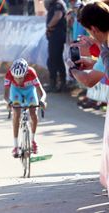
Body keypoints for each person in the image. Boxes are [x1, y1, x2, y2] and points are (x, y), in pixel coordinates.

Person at [68, 0, 109, 192]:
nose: (89, 36)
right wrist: (91, 61)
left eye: (89, 31)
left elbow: (90, 80)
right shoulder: (104, 47)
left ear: (93, 28)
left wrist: (73, 70)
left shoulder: (106, 47)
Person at [3, 58, 47, 158]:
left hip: (29, 92)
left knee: (33, 113)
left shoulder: (31, 73)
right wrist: (9, 102)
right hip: (16, 92)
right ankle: (15, 146)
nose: (18, 80)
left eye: (21, 77)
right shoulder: (9, 74)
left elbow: (42, 92)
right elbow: (5, 95)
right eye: (16, 78)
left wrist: (43, 100)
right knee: (16, 114)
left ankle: (33, 141)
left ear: (26, 73)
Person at [45, 0, 67, 92]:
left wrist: (49, 26)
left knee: (53, 60)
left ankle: (56, 84)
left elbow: (58, 16)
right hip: (55, 35)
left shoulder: (58, 4)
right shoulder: (54, 4)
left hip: (57, 35)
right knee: (56, 59)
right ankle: (58, 83)